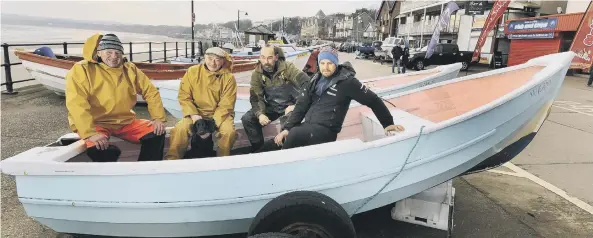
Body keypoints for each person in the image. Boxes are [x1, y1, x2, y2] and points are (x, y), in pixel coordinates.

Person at [273, 47, 405, 149]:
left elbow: (373, 100)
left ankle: (283, 168)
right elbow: (301, 106)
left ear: (336, 63)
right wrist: (287, 129)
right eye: (322, 63)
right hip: (309, 126)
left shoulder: (348, 82)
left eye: (330, 63)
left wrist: (387, 123)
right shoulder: (315, 79)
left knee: (294, 135)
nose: (325, 67)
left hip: (326, 131)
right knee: (279, 136)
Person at [65, 33, 167, 162]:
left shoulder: (130, 69)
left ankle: (143, 169)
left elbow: (151, 92)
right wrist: (89, 133)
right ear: (99, 53)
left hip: (124, 122)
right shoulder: (81, 70)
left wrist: (158, 118)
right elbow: (76, 104)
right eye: (109, 52)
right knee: (99, 149)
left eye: (117, 53)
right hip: (96, 124)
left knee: (157, 133)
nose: (114, 57)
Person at [165, 47, 238, 159]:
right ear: (204, 58)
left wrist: (211, 125)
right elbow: (184, 96)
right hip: (196, 113)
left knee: (229, 132)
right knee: (179, 130)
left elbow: (226, 105)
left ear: (223, 61)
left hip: (220, 115)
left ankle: (222, 160)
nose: (213, 63)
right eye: (210, 58)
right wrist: (195, 116)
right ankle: (172, 160)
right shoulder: (192, 71)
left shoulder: (229, 78)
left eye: (217, 60)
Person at [241, 46, 310, 152]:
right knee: (247, 119)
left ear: (276, 57)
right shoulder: (257, 74)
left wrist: (296, 105)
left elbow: (307, 83)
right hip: (273, 106)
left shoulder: (288, 68)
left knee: (287, 123)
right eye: (263, 58)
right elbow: (255, 97)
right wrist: (260, 114)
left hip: (290, 106)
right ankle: (259, 150)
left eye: (269, 58)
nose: (266, 62)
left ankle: (286, 151)